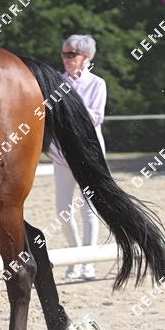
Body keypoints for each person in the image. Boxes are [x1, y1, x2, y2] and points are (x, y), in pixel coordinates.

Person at [48, 34, 107, 280]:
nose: (66, 58)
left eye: (71, 54)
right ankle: (75, 256)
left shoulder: (97, 84)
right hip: (62, 153)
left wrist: (71, 108)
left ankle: (88, 262)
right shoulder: (56, 83)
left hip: (89, 153)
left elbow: (95, 118)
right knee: (63, 210)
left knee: (88, 208)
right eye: (64, 54)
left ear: (86, 57)